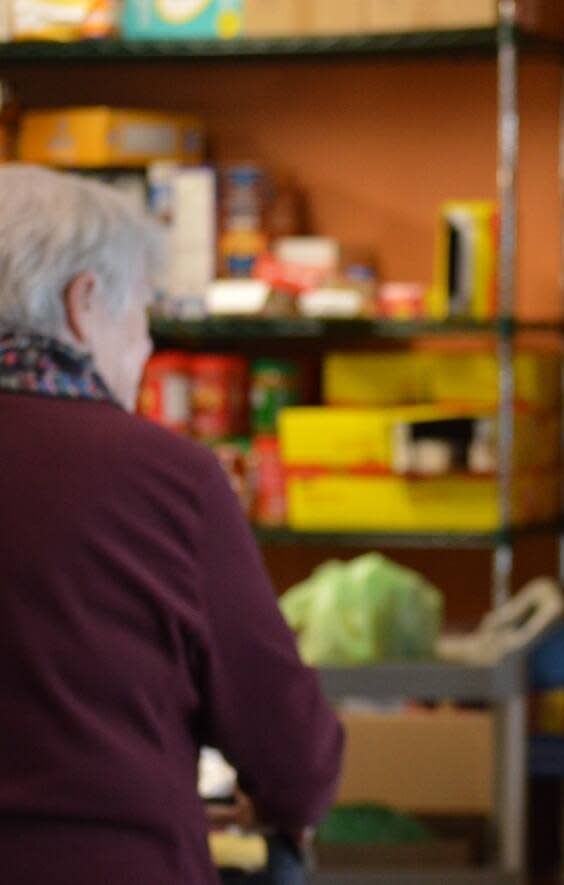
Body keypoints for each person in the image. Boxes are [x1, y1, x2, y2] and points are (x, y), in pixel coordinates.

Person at [0, 165, 343, 882]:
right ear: (83, 303)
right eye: (142, 314)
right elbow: (291, 754)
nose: (147, 346)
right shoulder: (163, 477)